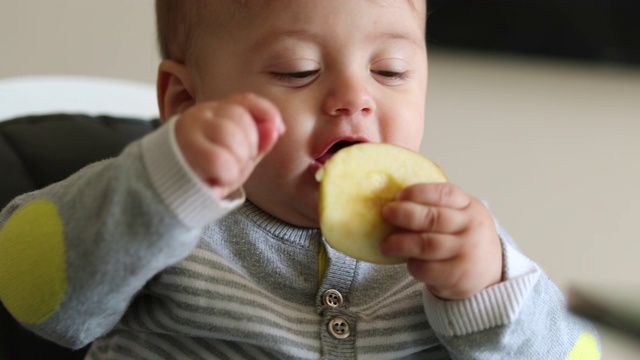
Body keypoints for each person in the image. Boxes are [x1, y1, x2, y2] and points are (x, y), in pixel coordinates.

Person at [0, 1, 600, 359]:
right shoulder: (154, 213)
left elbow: (576, 353)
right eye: (298, 71)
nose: (353, 99)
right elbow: (33, 292)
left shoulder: (451, 240)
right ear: (185, 101)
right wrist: (164, 183)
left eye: (390, 71)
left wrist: (486, 287)